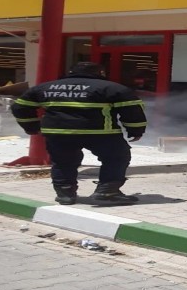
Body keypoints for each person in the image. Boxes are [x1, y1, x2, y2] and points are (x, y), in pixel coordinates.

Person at [11, 62, 147, 205]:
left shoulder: (45, 87)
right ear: (100, 73)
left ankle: (65, 194)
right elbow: (132, 111)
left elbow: (19, 107)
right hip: (100, 133)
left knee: (63, 162)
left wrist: (31, 127)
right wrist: (135, 130)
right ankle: (107, 191)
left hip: (59, 133)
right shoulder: (112, 88)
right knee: (116, 158)